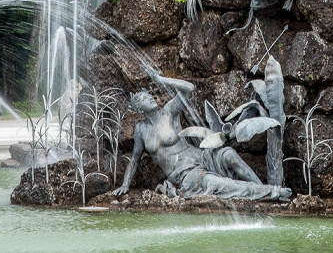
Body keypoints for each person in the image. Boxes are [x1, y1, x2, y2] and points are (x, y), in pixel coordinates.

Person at [112, 71, 291, 201]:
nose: (150, 98)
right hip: (184, 173)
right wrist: (126, 184)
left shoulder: (169, 112)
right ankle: (272, 193)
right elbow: (134, 159)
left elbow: (188, 89)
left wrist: (161, 79)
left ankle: (264, 190)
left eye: (149, 95)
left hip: (201, 157)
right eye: (144, 98)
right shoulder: (141, 130)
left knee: (228, 153)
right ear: (138, 108)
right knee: (215, 183)